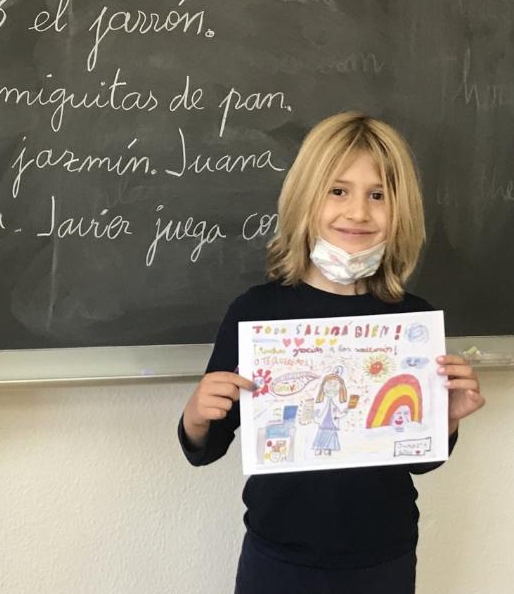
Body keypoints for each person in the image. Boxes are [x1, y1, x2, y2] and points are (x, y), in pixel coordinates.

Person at [178, 112, 485, 594]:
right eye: (338, 191)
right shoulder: (257, 312)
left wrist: (445, 422)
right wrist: (197, 415)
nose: (358, 212)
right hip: (278, 554)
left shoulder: (412, 324)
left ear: (401, 211)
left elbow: (419, 459)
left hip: (382, 555)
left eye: (378, 195)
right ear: (305, 200)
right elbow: (209, 446)